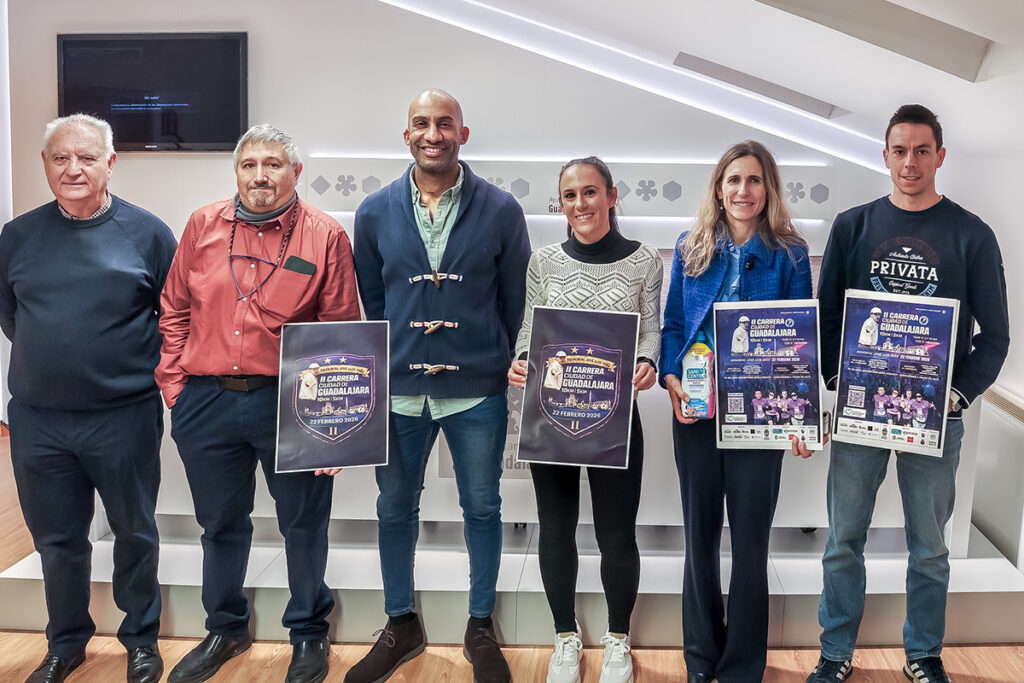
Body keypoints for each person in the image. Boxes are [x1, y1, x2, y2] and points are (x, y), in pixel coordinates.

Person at [802, 104, 1010, 683]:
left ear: (940, 156)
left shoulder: (971, 234)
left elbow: (994, 338)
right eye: (900, 150)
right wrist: (836, 383)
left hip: (934, 419)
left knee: (930, 548)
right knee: (843, 540)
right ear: (885, 155)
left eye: (922, 151)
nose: (910, 162)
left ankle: (923, 655)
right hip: (860, 415)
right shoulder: (852, 226)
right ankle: (835, 654)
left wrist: (959, 395)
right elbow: (825, 319)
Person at [156, 124, 360, 683]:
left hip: (292, 401)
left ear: (296, 172)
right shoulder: (202, 225)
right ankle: (224, 627)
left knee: (303, 522)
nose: (261, 175)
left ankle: (308, 633)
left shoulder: (325, 235)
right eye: (249, 165)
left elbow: (341, 335)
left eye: (273, 164)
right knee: (220, 523)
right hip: (206, 400)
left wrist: (334, 425)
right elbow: (173, 310)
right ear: (237, 173)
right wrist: (176, 386)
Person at [348, 89, 531, 683]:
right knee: (394, 508)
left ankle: (480, 626)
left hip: (477, 390)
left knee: (482, 507)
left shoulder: (502, 209)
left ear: (463, 133)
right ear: (406, 135)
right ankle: (401, 623)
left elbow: (514, 304)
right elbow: (374, 305)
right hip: (400, 389)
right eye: (421, 124)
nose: (433, 133)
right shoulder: (374, 211)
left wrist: (488, 356)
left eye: (444, 123)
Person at [0, 114, 175, 683]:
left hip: (122, 416)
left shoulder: (147, 234)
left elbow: (173, 320)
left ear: (110, 163)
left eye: (86, 158)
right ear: (45, 165)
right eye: (59, 158)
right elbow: (12, 316)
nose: (72, 169)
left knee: (135, 531)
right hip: (38, 421)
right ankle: (66, 642)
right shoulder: (16, 237)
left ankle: (141, 641)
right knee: (57, 539)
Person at [660, 140, 812, 683]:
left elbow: (800, 344)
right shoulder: (692, 245)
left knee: (751, 543)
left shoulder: (791, 255)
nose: (742, 191)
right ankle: (701, 660)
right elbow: (674, 325)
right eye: (733, 180)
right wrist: (671, 377)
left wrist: (800, 418)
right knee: (699, 538)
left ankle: (744, 665)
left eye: (753, 180)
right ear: (718, 188)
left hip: (760, 417)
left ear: (767, 188)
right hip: (696, 412)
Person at [507, 156, 662, 683]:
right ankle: (565, 638)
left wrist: (647, 362)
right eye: (569, 196)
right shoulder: (544, 261)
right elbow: (529, 330)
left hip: (615, 419)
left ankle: (619, 640)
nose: (580, 205)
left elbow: (651, 333)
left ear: (612, 196)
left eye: (590, 193)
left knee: (618, 533)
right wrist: (521, 360)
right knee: (556, 528)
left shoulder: (645, 261)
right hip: (552, 415)